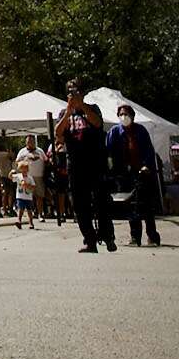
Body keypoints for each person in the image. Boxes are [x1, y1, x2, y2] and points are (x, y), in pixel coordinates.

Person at [56, 78, 116, 254]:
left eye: (75, 92)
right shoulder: (63, 113)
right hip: (75, 163)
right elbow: (58, 133)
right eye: (70, 92)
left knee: (101, 201)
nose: (72, 95)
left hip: (95, 161)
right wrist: (68, 112)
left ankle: (107, 236)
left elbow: (97, 123)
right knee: (80, 204)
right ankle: (90, 240)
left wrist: (82, 106)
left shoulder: (92, 108)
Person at [106, 104, 161, 247]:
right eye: (121, 114)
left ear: (132, 116)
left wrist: (146, 166)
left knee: (147, 206)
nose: (124, 117)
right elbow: (109, 153)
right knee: (131, 207)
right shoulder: (114, 132)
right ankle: (135, 237)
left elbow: (149, 151)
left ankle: (152, 237)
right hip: (125, 175)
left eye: (126, 114)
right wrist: (111, 170)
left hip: (143, 173)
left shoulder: (141, 131)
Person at [15, 134, 48, 220]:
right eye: (28, 141)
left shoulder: (40, 151)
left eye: (31, 141)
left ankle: (40, 214)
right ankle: (32, 214)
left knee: (39, 196)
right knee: (28, 197)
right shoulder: (22, 151)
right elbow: (16, 162)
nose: (30, 143)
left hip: (38, 176)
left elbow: (46, 160)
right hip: (27, 176)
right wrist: (25, 158)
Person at [11, 159, 36, 230]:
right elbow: (11, 177)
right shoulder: (18, 176)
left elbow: (33, 186)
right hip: (20, 196)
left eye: (25, 169)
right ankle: (19, 221)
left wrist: (27, 185)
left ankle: (31, 223)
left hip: (28, 197)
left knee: (29, 210)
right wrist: (11, 172)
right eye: (22, 169)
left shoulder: (30, 177)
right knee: (20, 209)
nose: (24, 170)